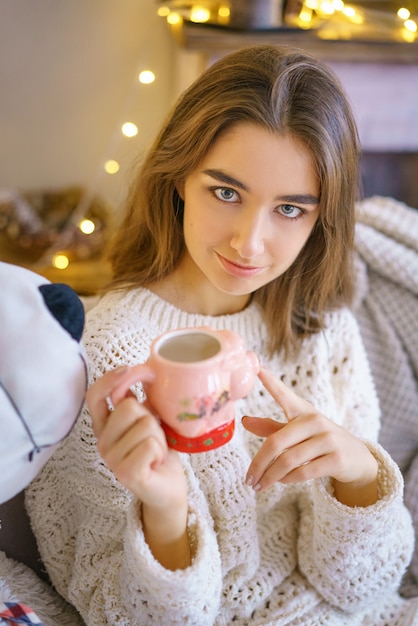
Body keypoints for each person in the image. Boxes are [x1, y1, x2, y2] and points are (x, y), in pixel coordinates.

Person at [26, 44, 418, 625]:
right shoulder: (104, 356)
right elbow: (122, 614)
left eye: (290, 209)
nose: (248, 244)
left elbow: (360, 588)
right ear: (179, 177)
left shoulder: (321, 328)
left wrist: (358, 474)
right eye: (226, 193)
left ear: (320, 217)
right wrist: (164, 511)